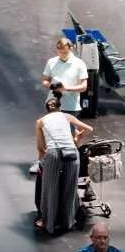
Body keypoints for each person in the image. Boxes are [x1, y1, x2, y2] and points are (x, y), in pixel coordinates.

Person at [36, 97, 92, 234]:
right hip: (71, 152)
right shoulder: (67, 116)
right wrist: (77, 138)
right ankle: (68, 222)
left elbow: (41, 147)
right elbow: (89, 128)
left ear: (47, 109)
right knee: (70, 188)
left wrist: (42, 160)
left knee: (50, 189)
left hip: (54, 154)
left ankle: (47, 223)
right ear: (60, 108)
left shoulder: (41, 121)